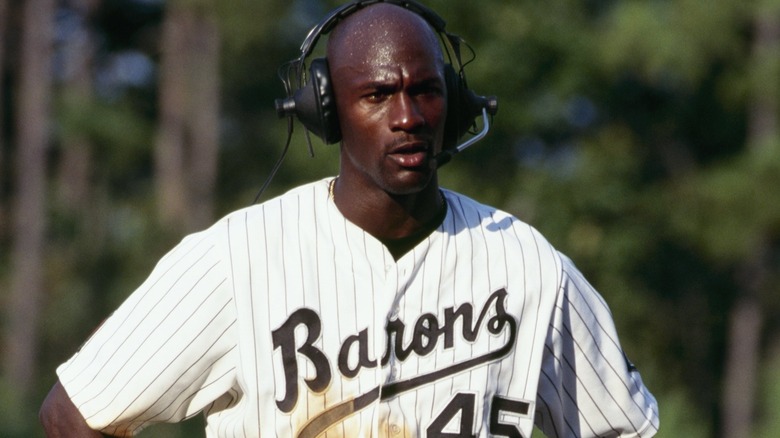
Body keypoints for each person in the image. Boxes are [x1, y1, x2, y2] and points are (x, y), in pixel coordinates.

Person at [40, 1, 659, 437]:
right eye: (376, 95)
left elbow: (624, 429)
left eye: (426, 90)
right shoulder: (239, 260)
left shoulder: (530, 266)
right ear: (327, 111)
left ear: (456, 101)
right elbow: (76, 413)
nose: (408, 115)